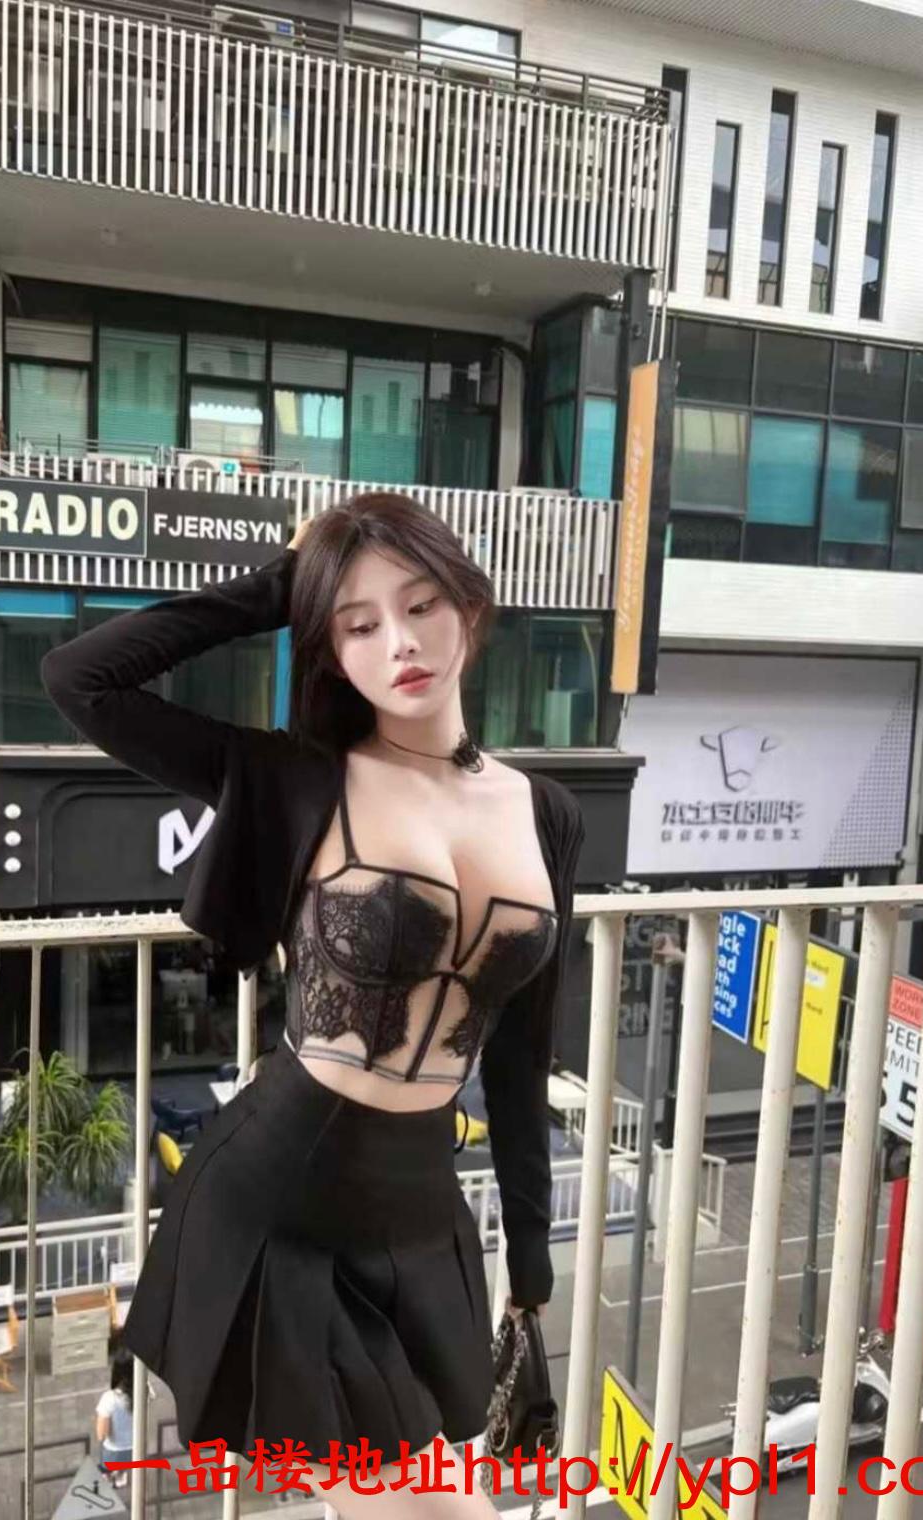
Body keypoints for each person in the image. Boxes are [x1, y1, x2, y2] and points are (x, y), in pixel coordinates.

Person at [40, 492, 585, 1520]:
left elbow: (522, 1054)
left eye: (420, 605)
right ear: (330, 649)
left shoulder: (544, 811)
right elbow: (81, 678)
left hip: (421, 1209)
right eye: (359, 623)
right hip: (283, 1200)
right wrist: (279, 586)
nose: (399, 643)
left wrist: (530, 1253)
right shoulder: (297, 778)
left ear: (469, 606)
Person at [96, 1349, 136, 1487]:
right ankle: (121, 1475)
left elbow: (102, 1434)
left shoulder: (109, 1398)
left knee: (105, 1457)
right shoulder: (144, 1392)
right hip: (136, 1449)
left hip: (114, 1452)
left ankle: (109, 1475)